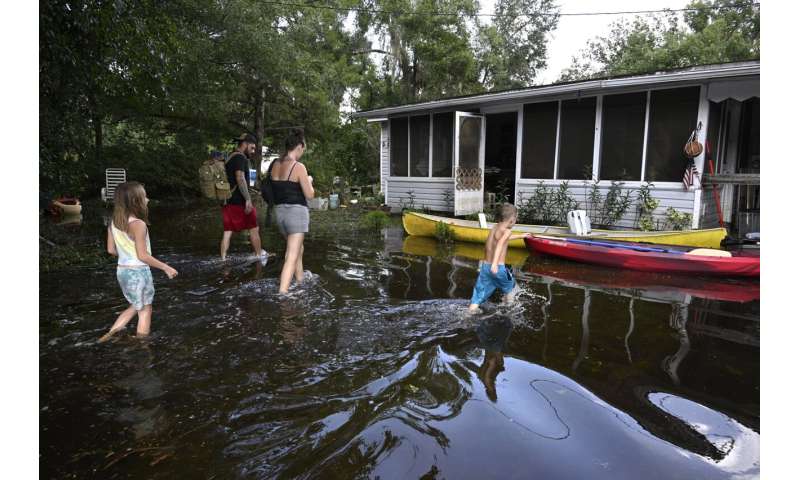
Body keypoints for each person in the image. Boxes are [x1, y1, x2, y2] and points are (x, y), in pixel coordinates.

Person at [100, 182, 178, 342]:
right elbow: (142, 255)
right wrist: (166, 267)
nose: (148, 200)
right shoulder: (138, 224)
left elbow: (111, 250)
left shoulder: (113, 222)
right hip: (138, 273)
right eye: (145, 197)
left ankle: (108, 336)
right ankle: (141, 344)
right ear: (136, 201)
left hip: (122, 271)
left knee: (135, 305)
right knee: (145, 310)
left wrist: (127, 256)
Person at [265, 128, 314, 293]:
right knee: (291, 255)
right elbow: (310, 194)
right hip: (296, 213)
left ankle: (300, 280)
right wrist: (309, 180)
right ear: (299, 146)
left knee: (298, 249)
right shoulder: (298, 166)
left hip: (279, 214)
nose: (302, 153)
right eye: (303, 149)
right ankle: (283, 293)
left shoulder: (274, 165)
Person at [468, 203, 531, 312]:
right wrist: (495, 264)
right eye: (516, 219)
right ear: (511, 220)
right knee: (511, 289)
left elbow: (502, 239)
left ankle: (469, 313)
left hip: (485, 267)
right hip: (498, 268)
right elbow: (500, 244)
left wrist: (521, 236)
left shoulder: (495, 227)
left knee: (478, 295)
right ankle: (508, 308)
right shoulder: (507, 231)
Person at [220, 133, 266, 261]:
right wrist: (247, 199)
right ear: (245, 144)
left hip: (227, 200)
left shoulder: (230, 157)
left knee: (227, 232)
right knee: (254, 229)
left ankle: (222, 259)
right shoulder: (240, 158)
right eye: (251, 148)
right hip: (239, 202)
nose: (252, 151)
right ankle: (258, 256)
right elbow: (240, 178)